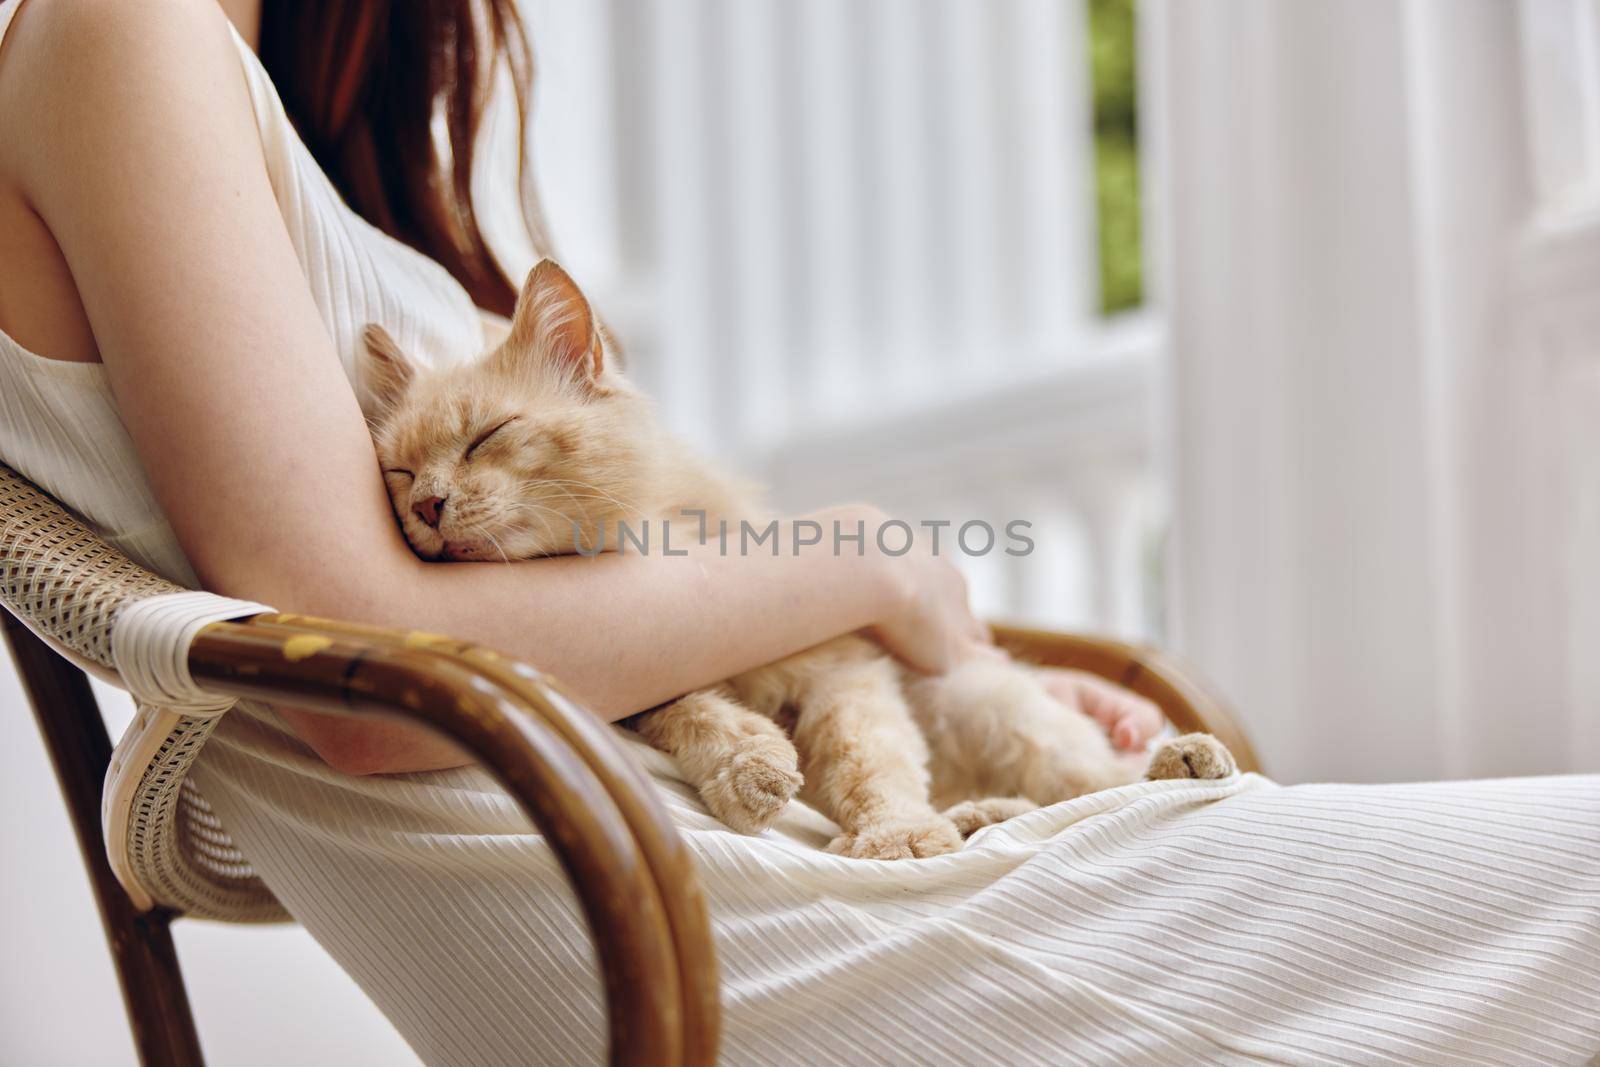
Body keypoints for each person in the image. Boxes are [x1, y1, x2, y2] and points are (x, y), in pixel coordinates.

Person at [1, 2, 1595, 1064]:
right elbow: (354, 660)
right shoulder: (116, 33)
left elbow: (589, 586)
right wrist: (860, 561)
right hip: (715, 923)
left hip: (770, 848)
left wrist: (960, 693)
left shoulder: (271, 118)